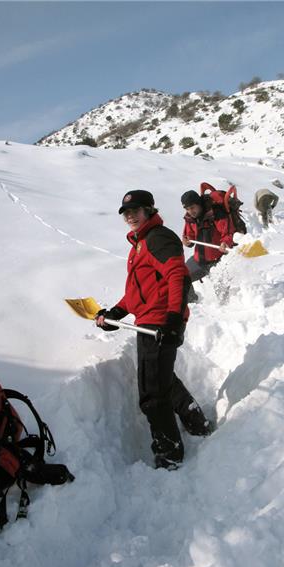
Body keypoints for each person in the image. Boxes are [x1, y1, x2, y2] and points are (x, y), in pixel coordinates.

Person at [95, 190, 212, 470]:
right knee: (162, 378)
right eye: (126, 212)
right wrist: (115, 312)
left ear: (149, 210)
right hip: (152, 319)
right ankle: (196, 421)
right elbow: (139, 290)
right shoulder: (140, 244)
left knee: (151, 393)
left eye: (135, 210)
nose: (130, 216)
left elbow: (177, 276)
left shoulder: (157, 237)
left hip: (159, 322)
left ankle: (169, 453)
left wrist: (172, 319)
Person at [181, 190, 235, 299]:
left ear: (199, 203)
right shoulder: (190, 218)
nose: (190, 211)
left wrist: (225, 243)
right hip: (199, 260)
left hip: (218, 261)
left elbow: (228, 233)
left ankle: (225, 310)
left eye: (192, 207)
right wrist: (187, 240)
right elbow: (189, 236)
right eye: (187, 209)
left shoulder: (216, 214)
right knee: (182, 278)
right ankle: (193, 305)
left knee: (222, 296)